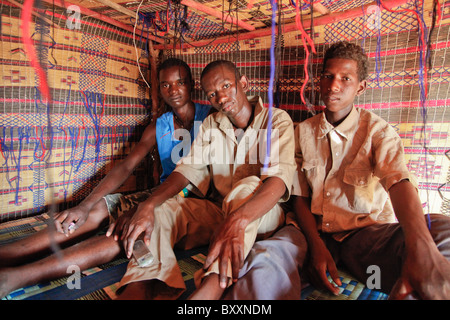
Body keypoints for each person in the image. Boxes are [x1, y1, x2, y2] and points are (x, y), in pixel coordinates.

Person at [0, 58, 211, 299]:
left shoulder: (209, 119)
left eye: (180, 82)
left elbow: (203, 177)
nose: (173, 90)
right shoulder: (158, 126)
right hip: (159, 193)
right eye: (165, 85)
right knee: (99, 208)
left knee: (127, 231)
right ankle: (8, 253)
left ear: (191, 85)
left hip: (191, 198)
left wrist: (144, 208)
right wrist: (84, 205)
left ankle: (18, 276)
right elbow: (126, 166)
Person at [107, 59, 296, 299]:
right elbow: (186, 170)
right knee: (163, 209)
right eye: (213, 94)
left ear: (244, 83)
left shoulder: (276, 120)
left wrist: (237, 220)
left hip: (263, 215)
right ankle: (144, 281)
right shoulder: (211, 124)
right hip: (221, 213)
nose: (221, 97)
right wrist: (149, 205)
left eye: (227, 86)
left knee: (247, 186)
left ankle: (210, 289)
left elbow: (278, 183)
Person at [290, 41, 450, 299]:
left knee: (442, 231)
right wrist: (317, 245)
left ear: (360, 87)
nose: (333, 86)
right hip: (313, 233)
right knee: (271, 256)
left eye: (346, 78)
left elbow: (398, 181)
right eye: (328, 76)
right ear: (318, 80)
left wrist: (421, 248)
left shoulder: (378, 132)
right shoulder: (302, 132)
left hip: (363, 236)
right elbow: (300, 196)